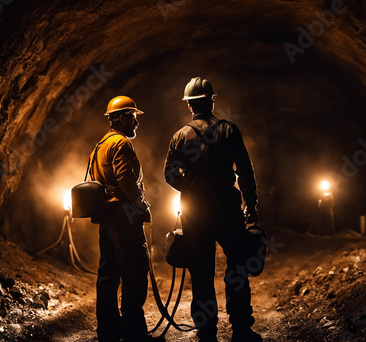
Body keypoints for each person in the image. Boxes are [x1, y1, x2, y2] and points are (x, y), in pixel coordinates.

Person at [163, 77, 262, 342]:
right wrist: (250, 204)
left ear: (189, 106)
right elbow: (244, 171)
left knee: (201, 272)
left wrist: (190, 187)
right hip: (227, 208)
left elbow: (169, 174)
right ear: (211, 101)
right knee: (237, 270)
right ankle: (241, 329)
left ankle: (207, 332)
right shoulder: (229, 130)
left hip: (196, 213)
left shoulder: (180, 136)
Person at [89, 96, 164, 342]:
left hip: (107, 215)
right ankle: (134, 333)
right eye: (132, 116)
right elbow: (126, 181)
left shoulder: (100, 144)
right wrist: (142, 206)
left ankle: (108, 331)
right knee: (135, 270)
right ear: (120, 117)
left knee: (108, 272)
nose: (136, 122)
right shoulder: (120, 143)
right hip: (123, 214)